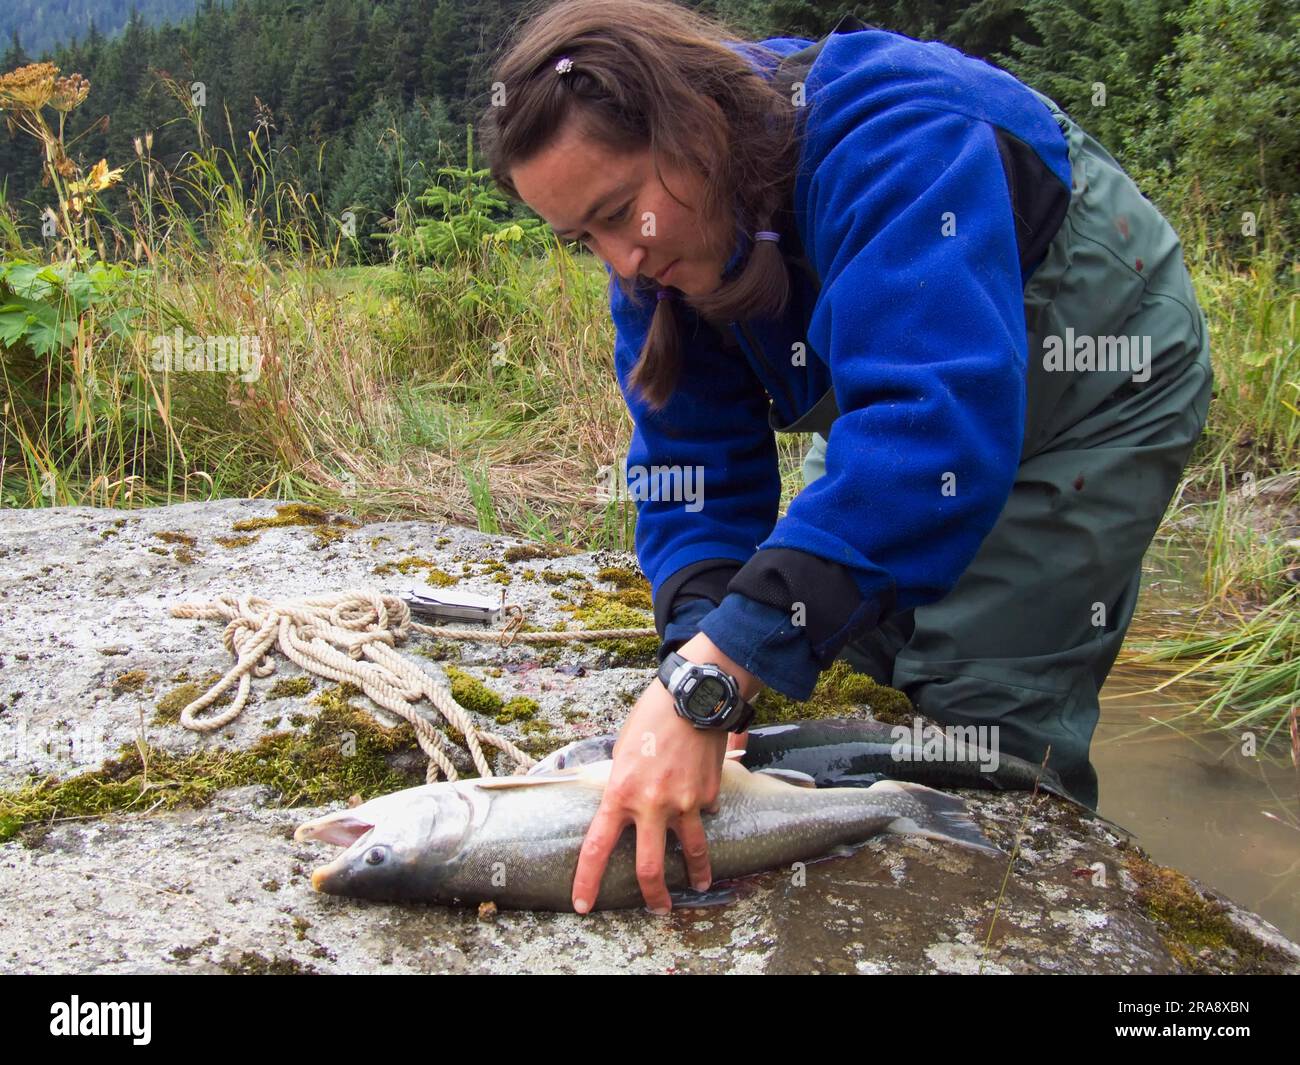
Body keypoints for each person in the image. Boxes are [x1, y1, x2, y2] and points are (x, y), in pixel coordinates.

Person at [481, 0, 1212, 914]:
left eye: (621, 213)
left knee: (982, 726)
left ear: (692, 127)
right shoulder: (659, 250)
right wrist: (697, 656)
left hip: (1097, 371)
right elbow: (694, 462)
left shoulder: (897, 135)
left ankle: (1049, 904)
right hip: (928, 387)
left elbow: (927, 435)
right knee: (855, 647)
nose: (622, 262)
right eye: (583, 237)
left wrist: (721, 675)